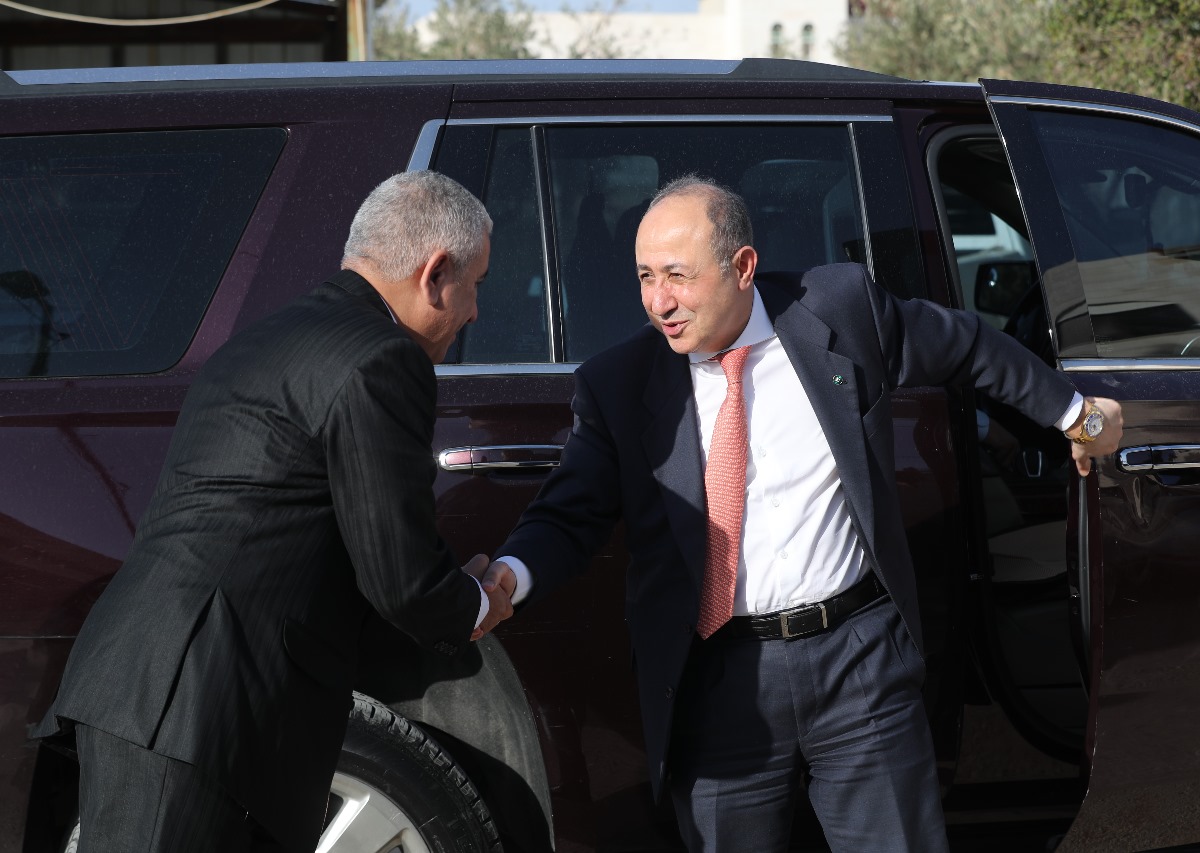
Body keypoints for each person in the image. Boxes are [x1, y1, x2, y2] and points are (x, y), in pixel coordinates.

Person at [484, 176, 1122, 851]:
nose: (658, 302)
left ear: (743, 267)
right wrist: (509, 575)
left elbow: (966, 344)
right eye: (645, 277)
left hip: (858, 659)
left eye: (677, 276)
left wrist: (1077, 418)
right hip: (720, 683)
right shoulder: (620, 383)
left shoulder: (838, 311)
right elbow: (569, 512)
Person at [34, 171, 514, 853]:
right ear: (435, 273)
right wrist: (473, 604)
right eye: (477, 285)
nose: (475, 312)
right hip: (200, 711)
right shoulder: (383, 357)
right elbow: (399, 575)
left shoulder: (266, 336)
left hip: (159, 692)